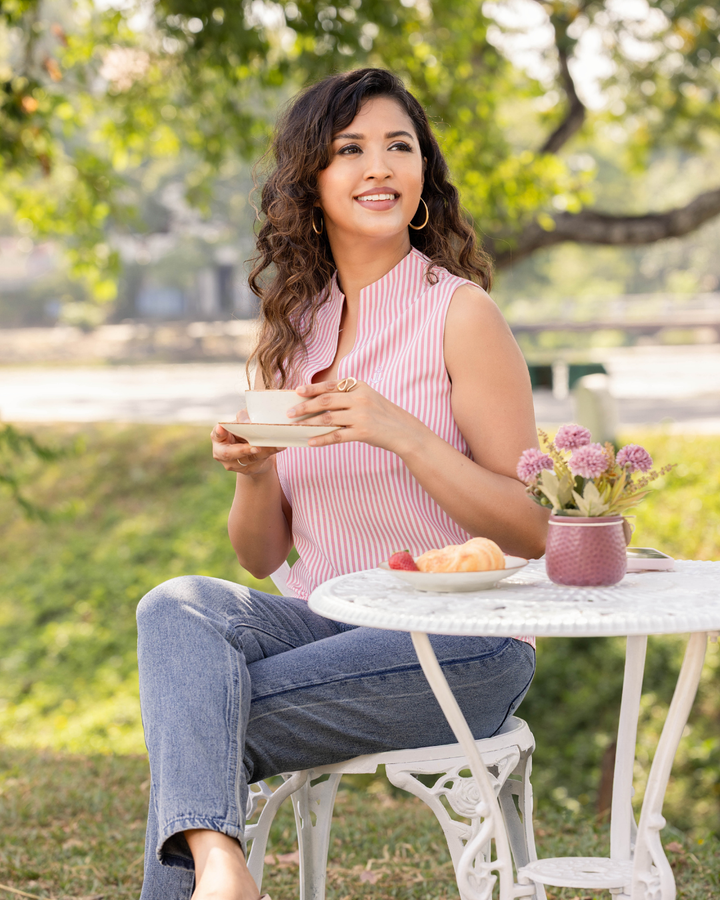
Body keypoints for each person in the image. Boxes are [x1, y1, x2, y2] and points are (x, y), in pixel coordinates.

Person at [136, 67, 548, 900]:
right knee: (173, 607)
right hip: (324, 621)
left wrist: (403, 432)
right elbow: (262, 556)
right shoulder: (291, 332)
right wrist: (254, 475)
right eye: (350, 149)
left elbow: (530, 529)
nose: (380, 167)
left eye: (400, 147)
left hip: (465, 639)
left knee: (197, 720)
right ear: (311, 183)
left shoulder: (459, 315)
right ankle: (220, 864)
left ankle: (215, 870)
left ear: (424, 176)